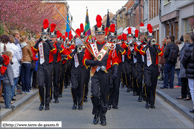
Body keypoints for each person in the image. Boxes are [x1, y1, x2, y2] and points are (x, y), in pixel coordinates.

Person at [83, 15, 118, 126]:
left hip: (106, 74)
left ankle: (103, 116)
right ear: (95, 34)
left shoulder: (110, 46)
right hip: (95, 73)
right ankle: (96, 112)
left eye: (101, 33)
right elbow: (85, 60)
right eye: (97, 33)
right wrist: (94, 62)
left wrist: (115, 72)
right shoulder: (90, 46)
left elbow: (115, 59)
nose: (99, 35)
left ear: (104, 34)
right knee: (94, 94)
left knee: (104, 95)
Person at [32, 19, 57, 111]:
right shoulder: (39, 43)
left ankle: (47, 103)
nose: (44, 36)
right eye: (43, 34)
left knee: (48, 85)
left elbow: (54, 51)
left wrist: (48, 42)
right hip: (41, 66)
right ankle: (42, 102)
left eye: (46, 35)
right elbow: (33, 51)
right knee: (41, 85)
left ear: (48, 35)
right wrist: (39, 40)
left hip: (49, 66)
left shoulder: (50, 43)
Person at [140, 25, 163, 109]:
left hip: (154, 67)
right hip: (147, 68)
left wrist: (155, 47)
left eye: (151, 38)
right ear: (147, 38)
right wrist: (147, 45)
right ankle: (147, 100)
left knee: (153, 85)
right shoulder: (145, 46)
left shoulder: (157, 46)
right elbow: (141, 52)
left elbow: (161, 54)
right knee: (148, 84)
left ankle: (152, 102)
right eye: (149, 38)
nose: (150, 39)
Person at [107, 24, 126, 110]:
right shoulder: (106, 46)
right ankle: (109, 102)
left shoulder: (118, 46)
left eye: (113, 38)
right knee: (109, 86)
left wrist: (117, 46)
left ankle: (115, 103)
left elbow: (124, 52)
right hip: (109, 67)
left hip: (117, 68)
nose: (112, 40)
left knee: (116, 86)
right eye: (111, 38)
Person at [7, 35, 21, 101]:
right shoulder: (15, 47)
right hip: (14, 64)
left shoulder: (6, 46)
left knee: (8, 81)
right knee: (13, 81)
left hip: (7, 64)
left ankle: (8, 96)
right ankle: (11, 95)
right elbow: (19, 57)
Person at [177, 33, 191, 100]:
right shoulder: (185, 45)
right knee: (183, 81)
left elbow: (186, 56)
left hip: (185, 66)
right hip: (183, 66)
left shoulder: (187, 45)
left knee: (186, 82)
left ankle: (187, 95)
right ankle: (183, 94)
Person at [182, 33, 194, 113]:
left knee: (192, 89)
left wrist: (187, 67)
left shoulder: (189, 48)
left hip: (191, 71)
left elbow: (184, 61)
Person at [0, 35, 12, 103]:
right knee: (2, 82)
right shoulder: (5, 46)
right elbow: (11, 53)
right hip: (3, 64)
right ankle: (2, 97)